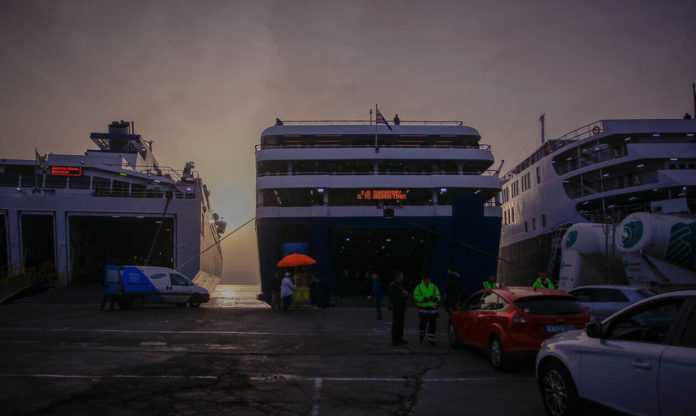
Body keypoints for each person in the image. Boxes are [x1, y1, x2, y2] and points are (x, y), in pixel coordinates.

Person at [413, 275, 441, 345]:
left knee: (432, 324)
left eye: (428, 279)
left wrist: (435, 298)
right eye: (426, 279)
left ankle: (431, 339)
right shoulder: (419, 287)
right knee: (423, 323)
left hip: (432, 308)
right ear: (423, 279)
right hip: (423, 308)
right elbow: (415, 296)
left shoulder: (434, 286)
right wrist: (423, 299)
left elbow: (438, 295)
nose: (427, 280)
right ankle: (421, 336)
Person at [389, 271, 408, 346]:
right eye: (401, 275)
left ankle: (400, 338)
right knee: (396, 323)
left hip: (401, 306)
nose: (402, 277)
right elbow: (391, 296)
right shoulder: (393, 284)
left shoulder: (399, 284)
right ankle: (395, 340)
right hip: (397, 306)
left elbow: (402, 294)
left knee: (401, 323)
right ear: (398, 276)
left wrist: (404, 294)